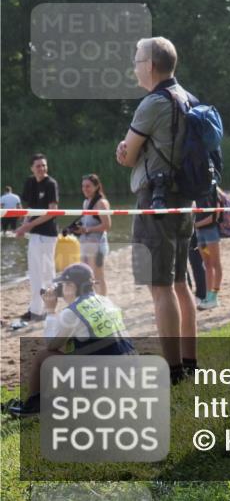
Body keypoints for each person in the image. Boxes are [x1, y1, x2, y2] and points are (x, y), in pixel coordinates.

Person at [115, 36, 198, 383]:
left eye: (136, 60)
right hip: (184, 202)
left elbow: (127, 156)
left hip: (156, 203)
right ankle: (190, 363)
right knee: (181, 284)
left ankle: (173, 370)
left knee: (160, 287)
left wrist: (124, 150)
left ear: (150, 66)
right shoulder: (188, 99)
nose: (133, 66)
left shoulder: (152, 103)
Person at [4, 263, 134, 418]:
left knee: (43, 356)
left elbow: (51, 344)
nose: (60, 289)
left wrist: (51, 311)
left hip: (106, 381)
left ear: (72, 286)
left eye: (63, 285)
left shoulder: (72, 312)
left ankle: (32, 408)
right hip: (129, 374)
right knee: (76, 349)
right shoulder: (105, 300)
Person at [12, 154, 60, 330]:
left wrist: (27, 226)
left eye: (44, 165)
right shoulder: (30, 182)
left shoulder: (51, 184)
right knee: (34, 274)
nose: (42, 168)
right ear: (31, 168)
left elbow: (52, 212)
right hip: (34, 235)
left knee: (48, 274)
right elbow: (31, 209)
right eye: (38, 166)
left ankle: (50, 311)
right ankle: (35, 310)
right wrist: (23, 227)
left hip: (47, 235)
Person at [73, 174, 110, 296]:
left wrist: (87, 229)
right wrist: (78, 228)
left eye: (88, 186)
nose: (84, 189)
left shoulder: (101, 203)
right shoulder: (86, 202)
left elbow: (107, 225)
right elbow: (87, 223)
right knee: (87, 275)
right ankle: (94, 300)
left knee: (98, 276)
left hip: (98, 245)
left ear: (96, 186)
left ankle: (103, 302)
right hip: (86, 244)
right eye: (83, 186)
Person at [192, 187, 224, 311]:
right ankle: (208, 295)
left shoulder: (213, 191)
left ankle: (214, 296)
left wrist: (195, 225)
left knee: (216, 263)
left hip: (211, 232)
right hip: (200, 234)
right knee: (207, 264)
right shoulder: (196, 192)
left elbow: (214, 217)